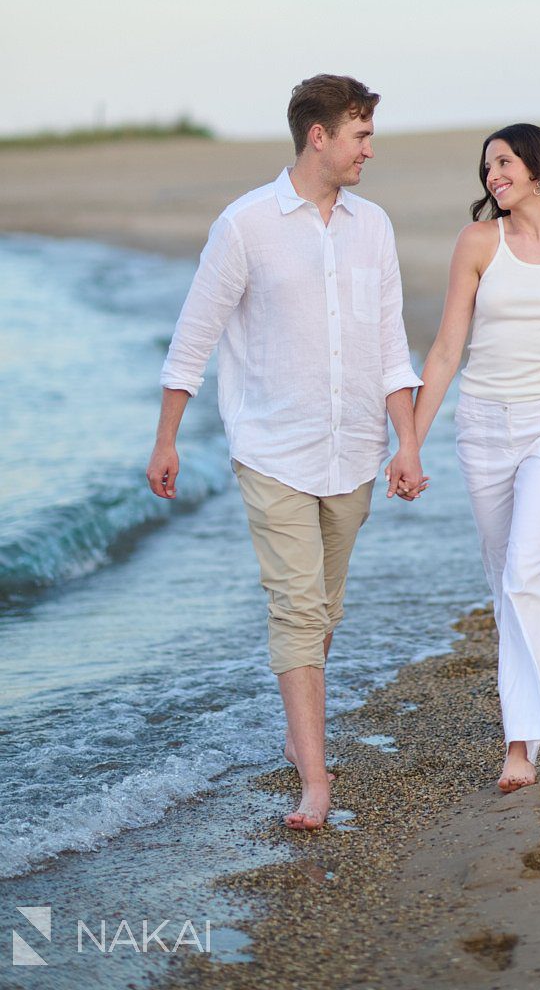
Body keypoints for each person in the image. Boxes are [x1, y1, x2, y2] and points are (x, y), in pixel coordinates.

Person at [146, 74, 426, 830]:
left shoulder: (375, 227)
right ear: (320, 137)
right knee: (299, 610)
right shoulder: (245, 225)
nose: (371, 148)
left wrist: (407, 443)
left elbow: (391, 346)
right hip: (272, 448)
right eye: (360, 134)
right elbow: (194, 335)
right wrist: (167, 436)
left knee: (324, 611)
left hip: (354, 451)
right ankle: (316, 780)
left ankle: (298, 737)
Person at [409, 123, 540, 792]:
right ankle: (522, 716)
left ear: (537, 168)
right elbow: (444, 353)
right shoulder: (477, 244)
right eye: (487, 166)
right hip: (482, 429)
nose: (492, 174)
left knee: (528, 574)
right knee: (505, 582)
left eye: (503, 161)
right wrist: (409, 441)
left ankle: (520, 747)